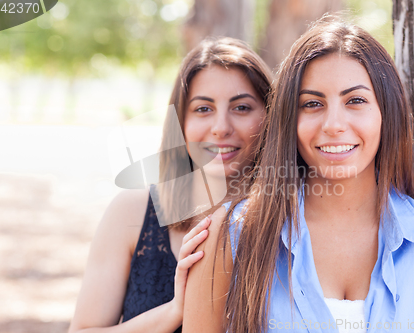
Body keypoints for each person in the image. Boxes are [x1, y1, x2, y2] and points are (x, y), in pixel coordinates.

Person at [183, 16, 414, 333]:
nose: (333, 124)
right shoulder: (230, 236)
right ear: (288, 119)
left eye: (356, 100)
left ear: (387, 112)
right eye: (312, 103)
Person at [68, 37, 272, 333]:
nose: (221, 127)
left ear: (270, 115)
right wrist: (175, 311)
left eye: (241, 107)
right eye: (203, 109)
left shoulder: (291, 219)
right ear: (180, 122)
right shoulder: (132, 212)